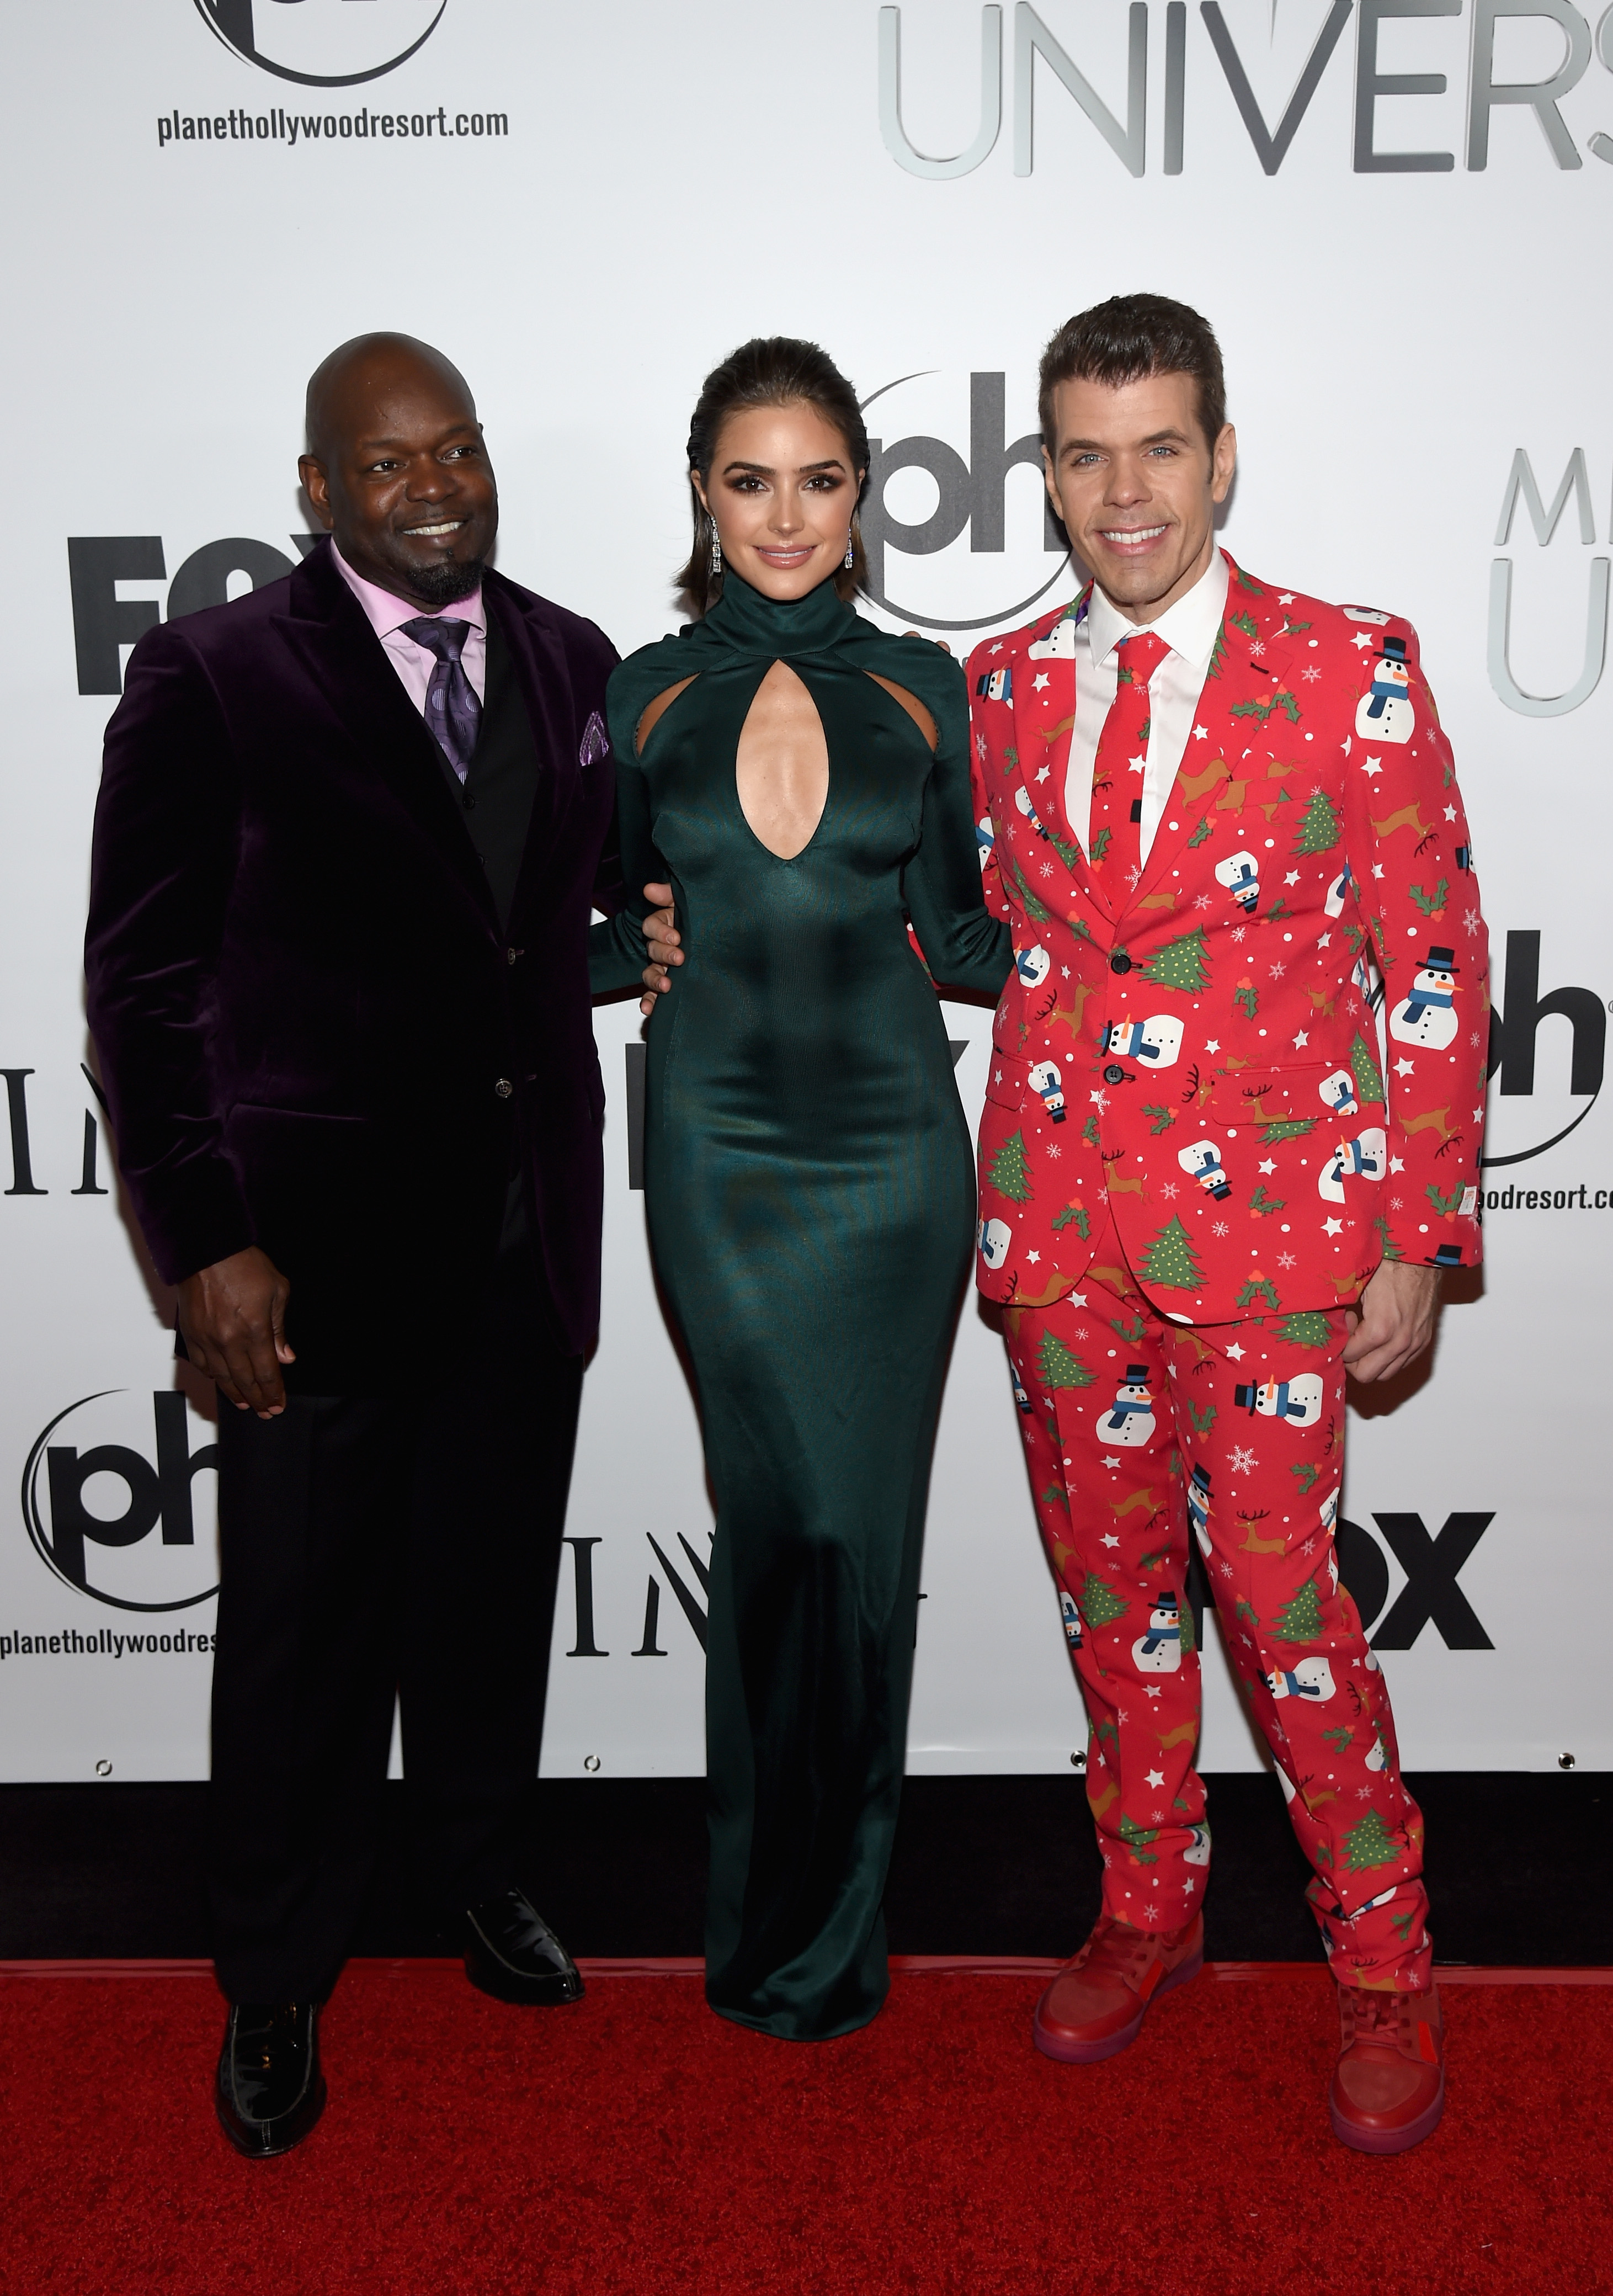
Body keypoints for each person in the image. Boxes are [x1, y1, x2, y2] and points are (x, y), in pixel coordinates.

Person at [85, 332, 663, 2156]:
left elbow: (531, 925)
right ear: (317, 489)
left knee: (486, 1602)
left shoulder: (571, 657)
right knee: (298, 1638)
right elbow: (142, 989)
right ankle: (273, 1972)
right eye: (389, 461)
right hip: (308, 1260)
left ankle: (475, 1869)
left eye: (458, 449)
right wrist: (204, 1244)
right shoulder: (214, 671)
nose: (435, 488)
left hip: (520, 1233)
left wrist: (628, 945)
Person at [967, 295, 1487, 2153]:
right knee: (1113, 1608)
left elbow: (1429, 957)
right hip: (1057, 1234)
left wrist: (1418, 1232)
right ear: (1047, 476)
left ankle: (1383, 1964)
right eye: (1086, 455)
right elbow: (998, 930)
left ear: (1221, 457)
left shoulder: (1347, 665)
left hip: (1273, 1242)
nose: (1126, 492)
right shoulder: (1001, 687)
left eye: (1160, 448)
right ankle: (1147, 1907)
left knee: (1282, 1611)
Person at [599, 338, 1013, 2040]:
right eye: (749, 480)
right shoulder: (639, 694)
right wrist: (619, 947)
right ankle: (770, 1920)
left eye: (820, 480)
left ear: (862, 496)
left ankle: (828, 1930)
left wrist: (1164, 937)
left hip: (892, 1158)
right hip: (720, 1156)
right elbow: (590, 923)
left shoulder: (924, 686)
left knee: (862, 1539)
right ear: (703, 494)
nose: (785, 516)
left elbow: (967, 936)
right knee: (780, 1528)